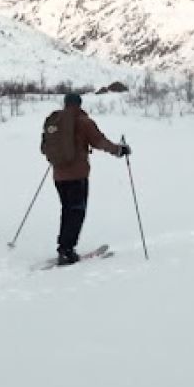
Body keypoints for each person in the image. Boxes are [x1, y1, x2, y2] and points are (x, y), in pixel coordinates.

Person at [43, 92, 130, 265]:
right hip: (77, 176)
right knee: (76, 212)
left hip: (58, 175)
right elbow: (99, 141)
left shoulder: (55, 122)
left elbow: (44, 147)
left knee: (67, 210)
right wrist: (119, 150)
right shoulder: (84, 122)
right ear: (79, 103)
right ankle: (67, 251)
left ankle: (64, 247)